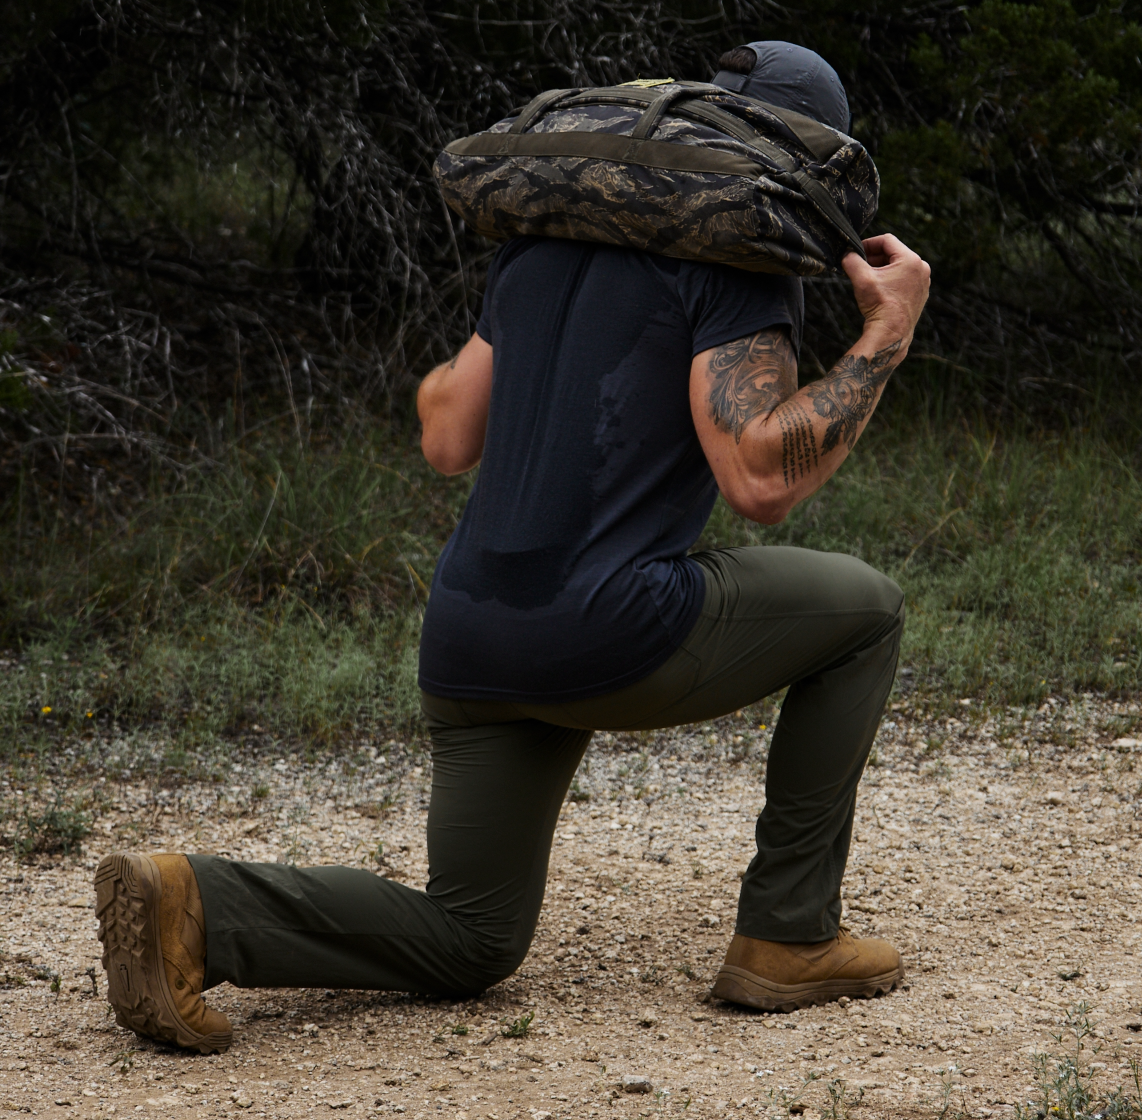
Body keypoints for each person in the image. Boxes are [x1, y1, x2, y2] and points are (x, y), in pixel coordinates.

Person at [93, 42, 930, 1054]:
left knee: (472, 938)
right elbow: (760, 481)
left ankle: (199, 903)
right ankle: (787, 936)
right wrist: (885, 334)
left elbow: (445, 432)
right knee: (866, 610)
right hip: (608, 632)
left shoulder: (542, 242)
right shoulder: (737, 256)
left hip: (470, 634)